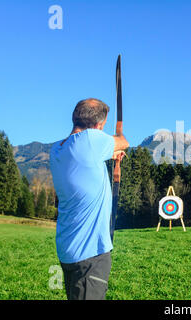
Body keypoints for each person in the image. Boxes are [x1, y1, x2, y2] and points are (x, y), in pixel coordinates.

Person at [50, 98, 129, 300]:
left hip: (69, 250)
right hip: (89, 253)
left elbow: (83, 160)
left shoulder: (58, 149)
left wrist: (110, 154)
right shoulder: (91, 141)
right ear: (97, 126)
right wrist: (118, 133)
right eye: (102, 128)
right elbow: (123, 142)